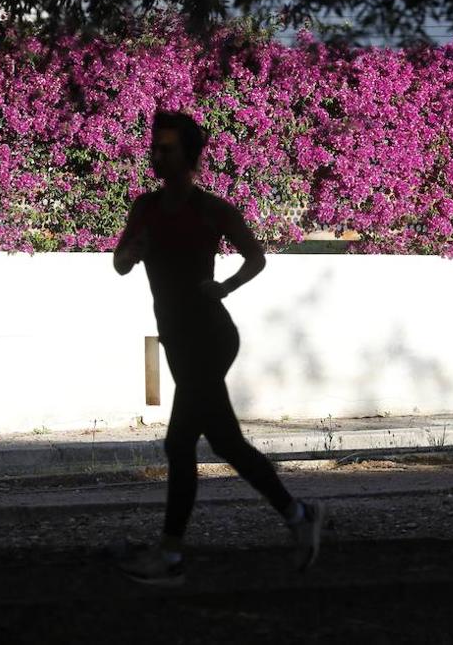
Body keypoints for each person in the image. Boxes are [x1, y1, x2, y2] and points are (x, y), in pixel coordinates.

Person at [112, 109, 324, 586]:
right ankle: (298, 515)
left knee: (179, 442)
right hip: (177, 340)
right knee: (224, 441)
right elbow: (120, 264)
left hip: (210, 336)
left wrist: (225, 287)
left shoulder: (212, 209)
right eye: (155, 146)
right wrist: (135, 249)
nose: (156, 154)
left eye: (167, 148)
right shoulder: (144, 208)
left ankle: (169, 557)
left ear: (189, 156)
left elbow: (256, 257)